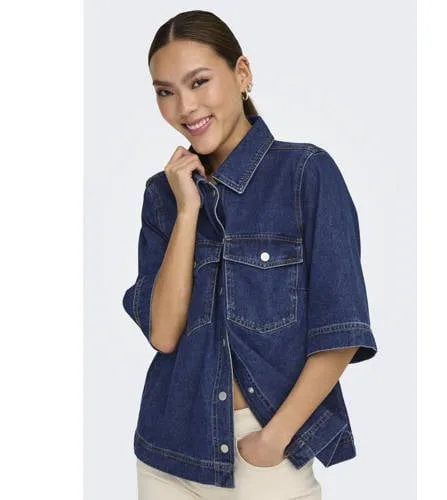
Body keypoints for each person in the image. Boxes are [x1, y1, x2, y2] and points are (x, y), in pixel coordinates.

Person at [122, 9, 378, 500]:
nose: (185, 107)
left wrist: (273, 439)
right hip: (166, 454)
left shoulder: (306, 174)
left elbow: (341, 329)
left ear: (242, 74)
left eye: (199, 82)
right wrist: (187, 211)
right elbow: (164, 332)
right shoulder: (163, 194)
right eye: (165, 91)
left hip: (261, 455)